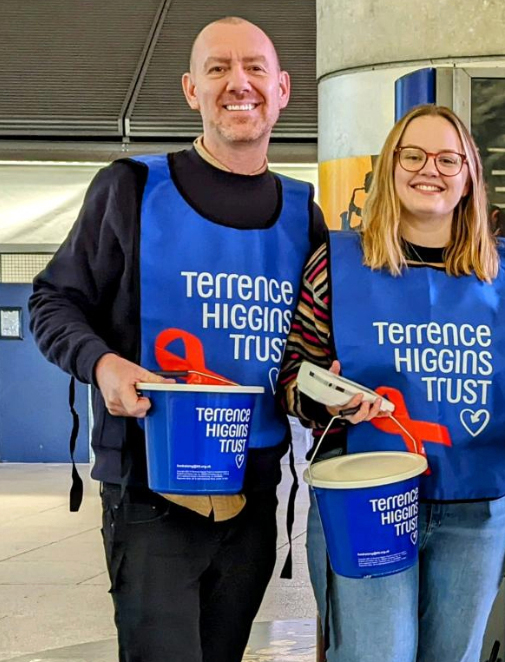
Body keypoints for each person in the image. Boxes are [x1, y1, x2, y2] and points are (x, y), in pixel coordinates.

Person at [28, 17, 324, 662]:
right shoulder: (132, 187)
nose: (237, 83)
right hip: (149, 485)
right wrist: (102, 364)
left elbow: (316, 345)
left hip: (255, 485)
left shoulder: (305, 214)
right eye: (218, 69)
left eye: (253, 69)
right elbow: (52, 301)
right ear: (192, 89)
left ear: (282, 89)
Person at [278, 104, 505, 662]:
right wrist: (328, 400)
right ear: (389, 168)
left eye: (449, 159)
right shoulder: (336, 263)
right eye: (414, 155)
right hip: (366, 499)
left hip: (476, 507)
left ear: (469, 173)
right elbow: (294, 375)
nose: (431, 169)